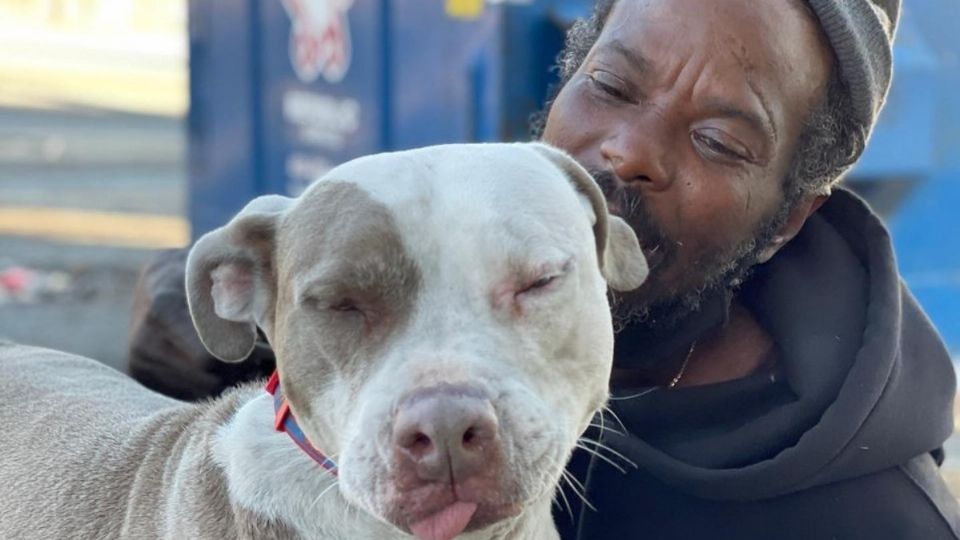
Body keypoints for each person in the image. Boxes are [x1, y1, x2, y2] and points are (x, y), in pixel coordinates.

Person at [128, 0, 960, 537]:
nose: (629, 150)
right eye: (611, 85)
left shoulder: (869, 521)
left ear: (787, 218)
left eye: (718, 140)